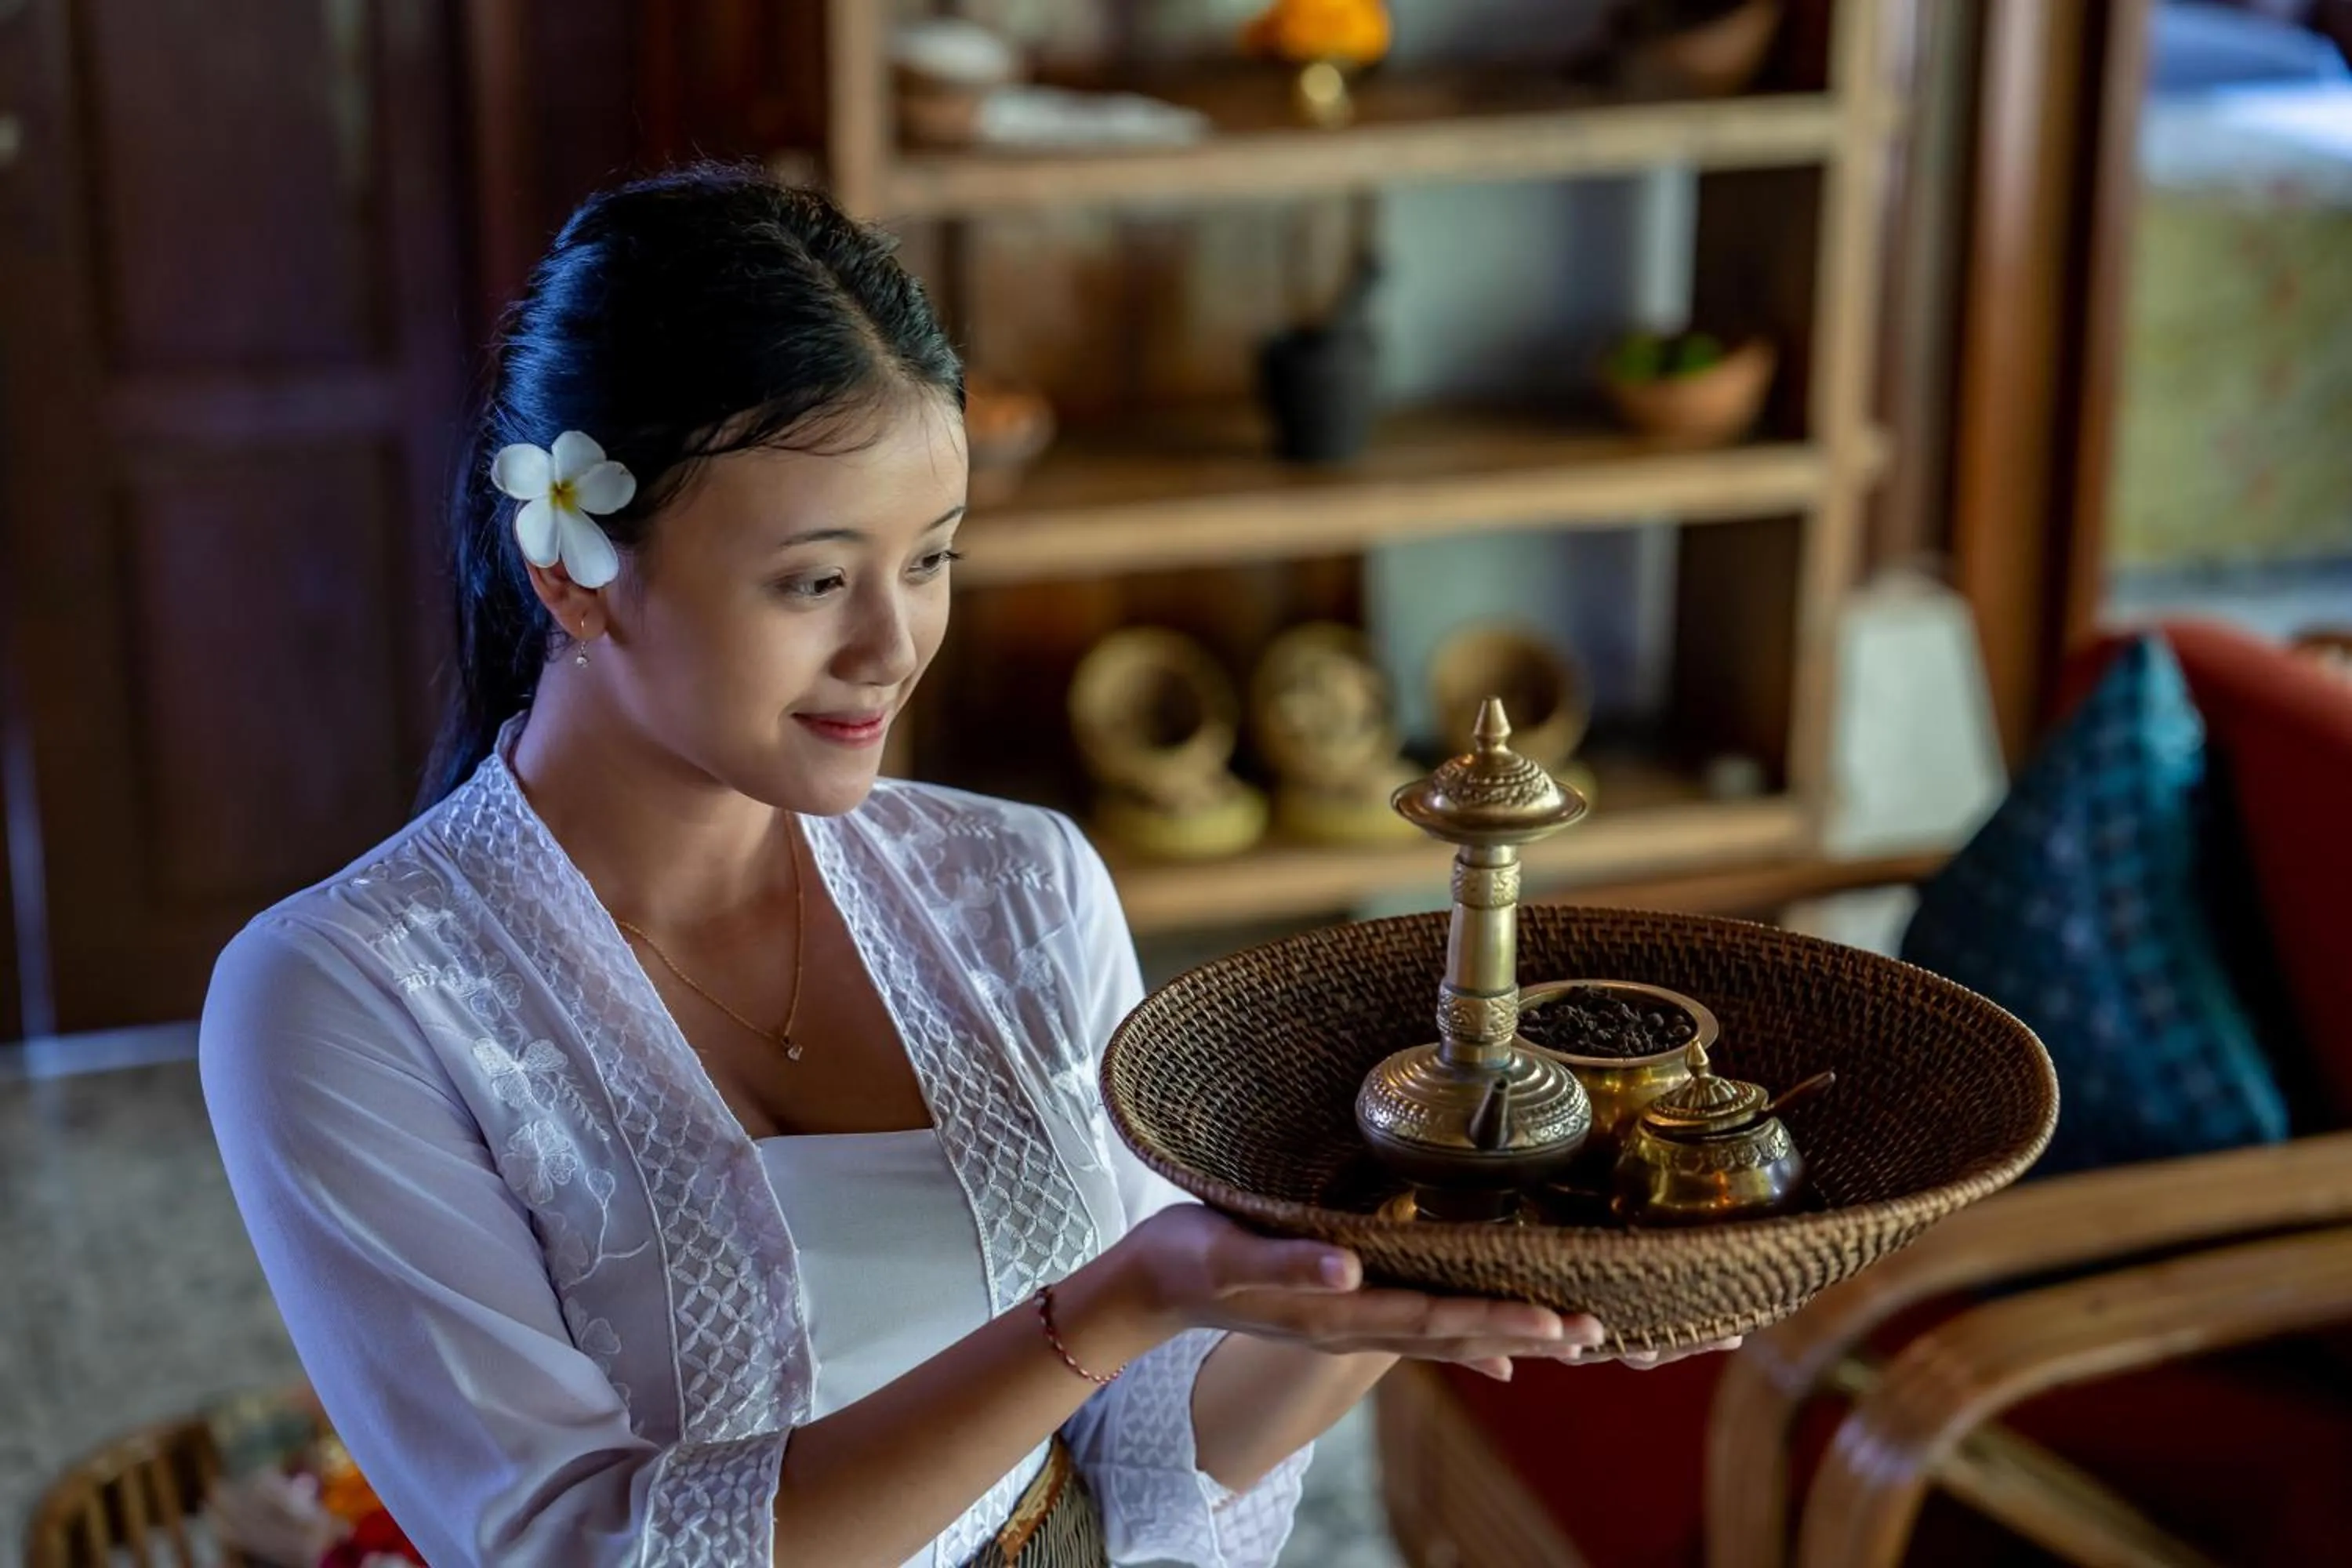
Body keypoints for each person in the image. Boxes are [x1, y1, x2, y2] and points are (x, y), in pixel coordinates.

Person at [200, 164, 1721, 1568]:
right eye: (814, 581)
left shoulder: (1022, 884)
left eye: (931, 558)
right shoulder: (339, 998)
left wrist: (1414, 1272)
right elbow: (579, 1543)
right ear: (571, 573)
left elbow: (1148, 1454)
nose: (893, 646)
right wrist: (1116, 1303)